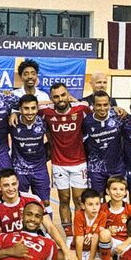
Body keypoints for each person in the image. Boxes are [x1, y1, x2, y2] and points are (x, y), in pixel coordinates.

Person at [41, 83, 91, 239]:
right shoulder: (46, 113)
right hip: (59, 164)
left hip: (79, 162)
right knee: (63, 199)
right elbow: (28, 106)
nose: (60, 99)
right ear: (51, 99)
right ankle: (69, 235)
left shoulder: (81, 110)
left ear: (68, 95)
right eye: (56, 96)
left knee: (78, 200)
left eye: (63, 95)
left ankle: (79, 233)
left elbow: (97, 111)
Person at [10, 94, 51, 206]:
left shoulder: (43, 122)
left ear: (37, 108)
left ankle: (47, 223)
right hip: (20, 169)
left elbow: (52, 142)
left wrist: (46, 157)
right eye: (26, 108)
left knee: (45, 202)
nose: (30, 112)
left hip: (39, 169)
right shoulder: (13, 122)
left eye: (33, 108)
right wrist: (14, 114)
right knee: (20, 202)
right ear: (20, 109)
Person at [82, 90, 125, 195]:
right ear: (93, 106)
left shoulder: (118, 116)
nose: (102, 108)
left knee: (119, 198)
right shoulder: (86, 122)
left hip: (116, 167)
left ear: (110, 104)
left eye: (105, 105)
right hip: (96, 168)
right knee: (97, 199)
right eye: (99, 105)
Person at [72, 189, 113, 260]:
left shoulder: (102, 215)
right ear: (83, 206)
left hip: (94, 251)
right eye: (90, 204)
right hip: (80, 250)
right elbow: (79, 239)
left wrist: (91, 259)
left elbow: (95, 237)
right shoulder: (79, 215)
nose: (94, 208)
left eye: (97, 204)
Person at [102, 175, 131, 260]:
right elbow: (97, 228)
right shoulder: (103, 208)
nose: (118, 192)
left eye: (121, 189)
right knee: (104, 233)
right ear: (108, 191)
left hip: (126, 242)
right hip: (110, 243)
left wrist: (125, 244)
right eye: (114, 189)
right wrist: (106, 230)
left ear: (126, 192)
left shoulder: (130, 209)